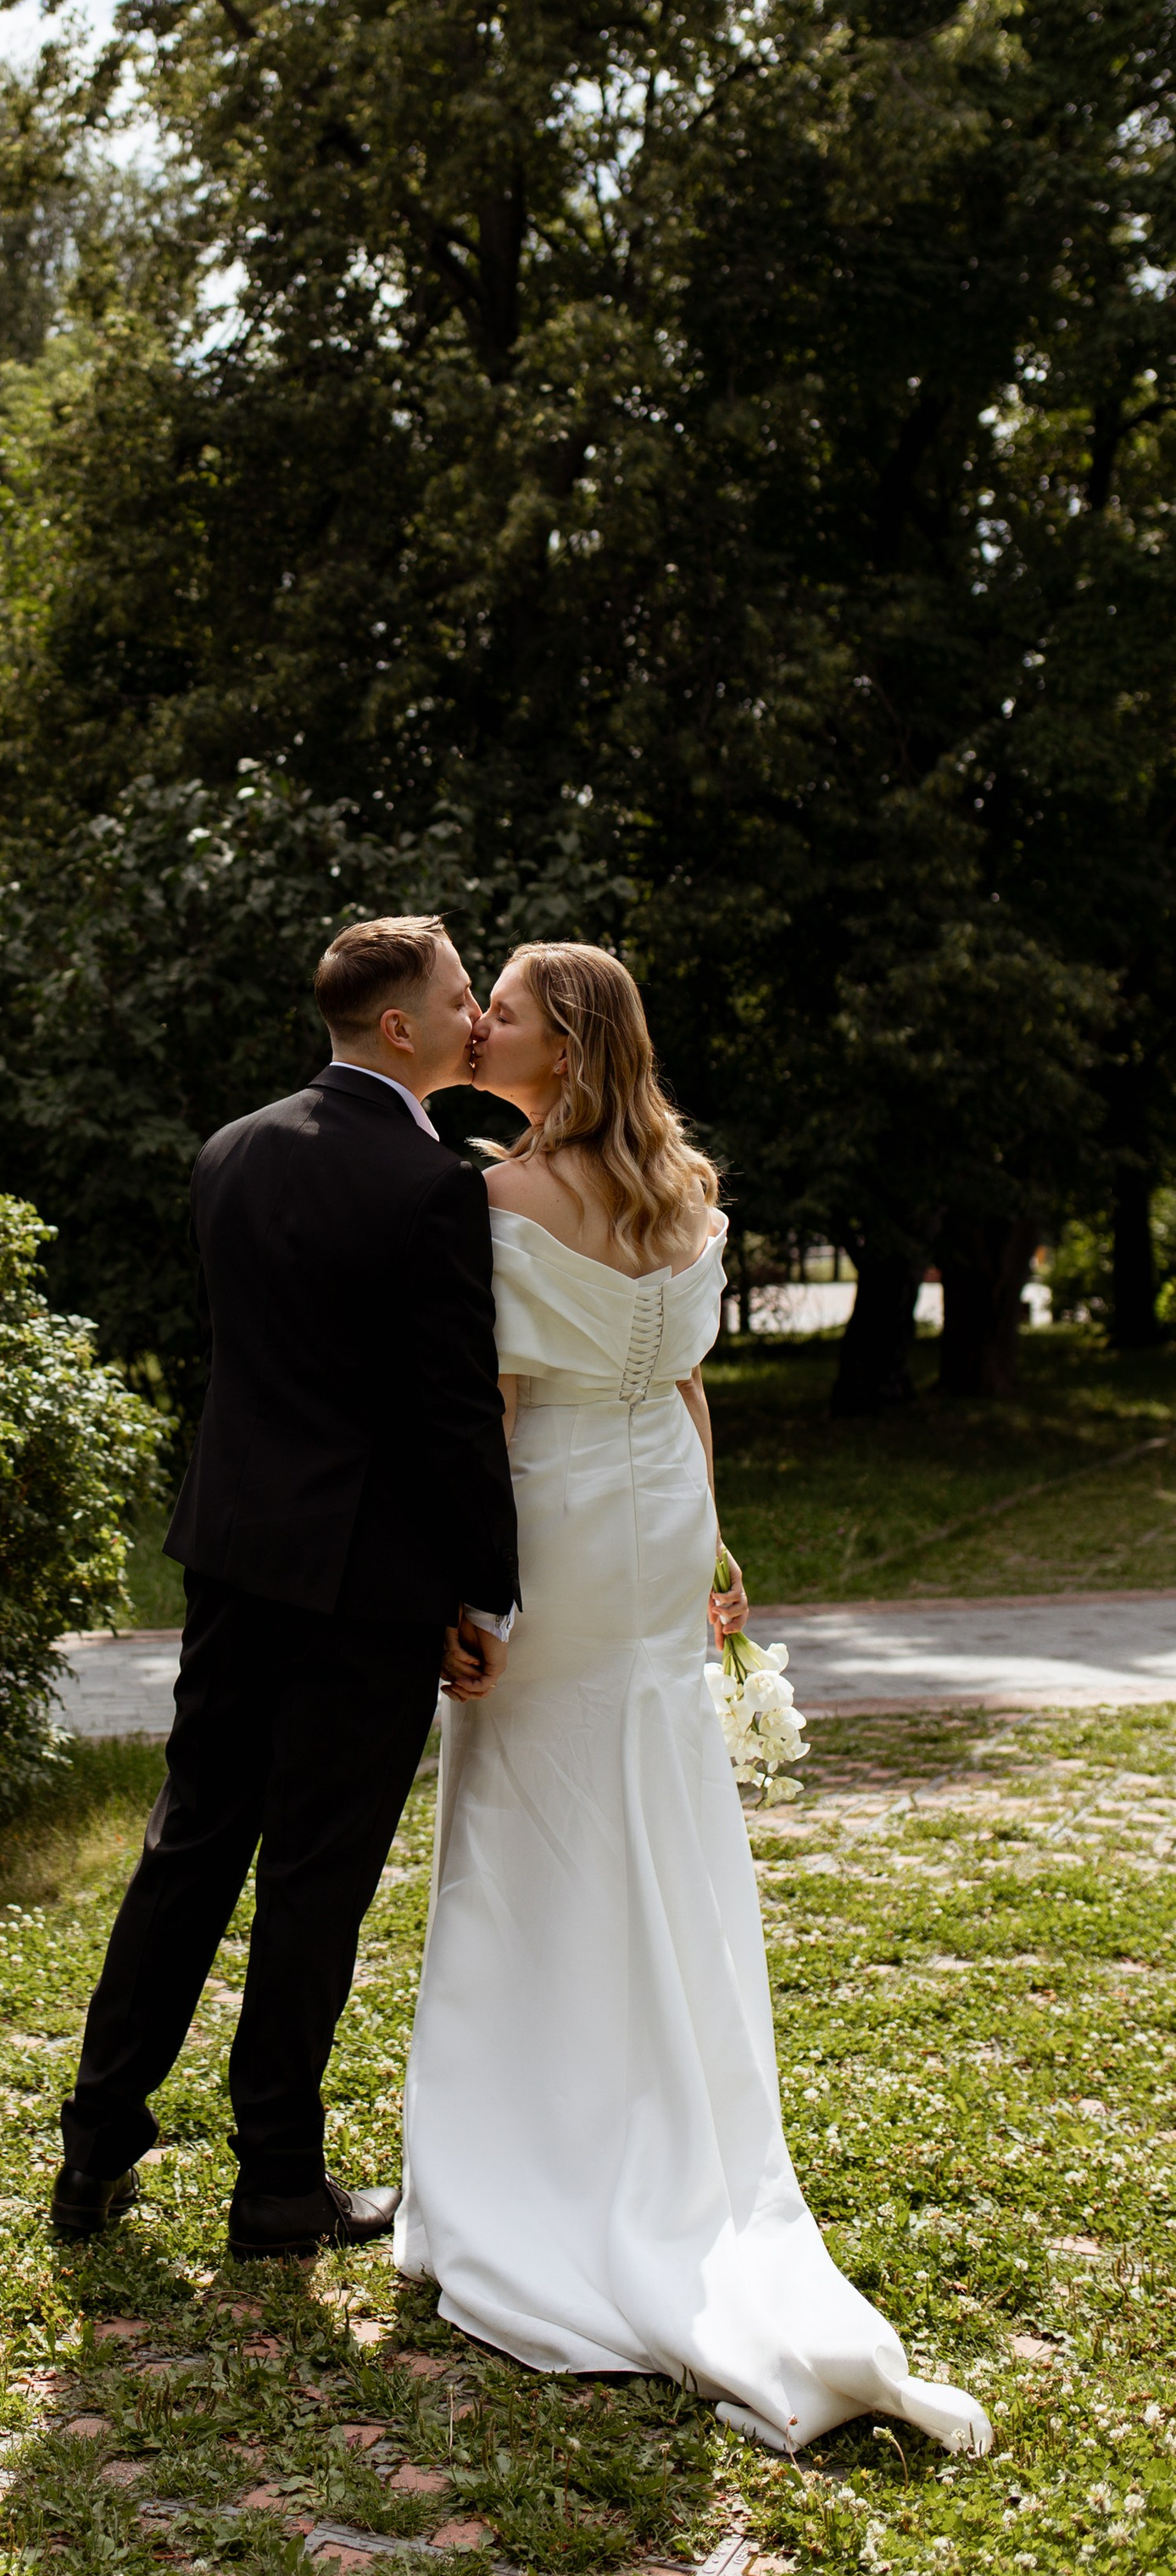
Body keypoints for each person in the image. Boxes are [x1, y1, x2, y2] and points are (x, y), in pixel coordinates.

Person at [395, 942, 992, 2457]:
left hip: (556, 1526)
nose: (485, 1023)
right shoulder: (688, 1189)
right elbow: (683, 1388)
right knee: (651, 1806)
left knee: (526, 1821)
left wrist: (466, 1591)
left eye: (508, 1011)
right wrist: (712, 1537)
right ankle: (669, 2104)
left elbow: (497, 1408)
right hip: (660, 1519)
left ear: (568, 1046)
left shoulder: (492, 1200)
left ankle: (528, 2161)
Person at [52, 915, 521, 2260]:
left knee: (189, 1847)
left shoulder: (230, 1151)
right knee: (315, 1879)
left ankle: (95, 2154)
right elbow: (447, 1417)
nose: (475, 1015)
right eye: (458, 996)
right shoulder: (435, 1186)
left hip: (232, 1556)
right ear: (402, 1029)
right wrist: (485, 1589)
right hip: (362, 1585)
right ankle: (274, 2188)